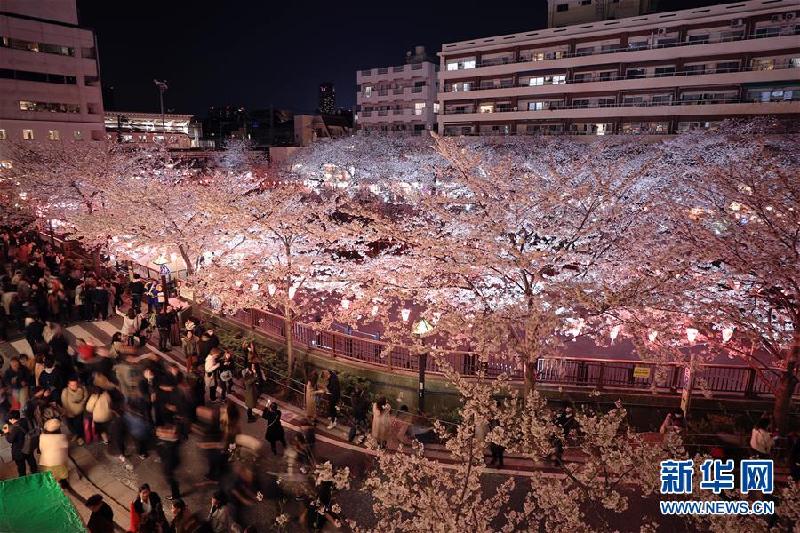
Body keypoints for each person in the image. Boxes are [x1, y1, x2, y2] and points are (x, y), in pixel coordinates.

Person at [3, 410, 37, 476]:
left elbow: (10, 440)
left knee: (21, 467)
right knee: (32, 462)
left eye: (10, 420)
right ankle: (35, 473)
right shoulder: (25, 421)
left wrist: (6, 432)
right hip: (28, 446)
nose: (10, 421)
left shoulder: (16, 429)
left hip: (19, 451)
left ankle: (23, 478)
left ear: (12, 419)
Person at [38, 418, 69, 483]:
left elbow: (41, 448)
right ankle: (63, 483)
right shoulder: (62, 437)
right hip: (60, 461)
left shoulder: (42, 437)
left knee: (49, 473)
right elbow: (66, 447)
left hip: (47, 461)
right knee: (62, 472)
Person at [156, 425, 182, 500]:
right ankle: (175, 487)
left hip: (168, 464)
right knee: (170, 477)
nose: (158, 433)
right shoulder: (171, 441)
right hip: (172, 461)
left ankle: (175, 494)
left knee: (169, 478)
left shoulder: (168, 444)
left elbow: (164, 453)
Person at [61, 377, 88, 444]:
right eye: (72, 385)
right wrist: (68, 412)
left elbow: (85, 397)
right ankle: (76, 434)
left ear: (78, 384)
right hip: (69, 412)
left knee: (78, 425)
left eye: (75, 385)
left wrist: (81, 404)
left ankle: (80, 438)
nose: (73, 386)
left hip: (79, 412)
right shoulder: (65, 391)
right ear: (68, 385)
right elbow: (64, 403)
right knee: (70, 425)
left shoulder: (82, 389)